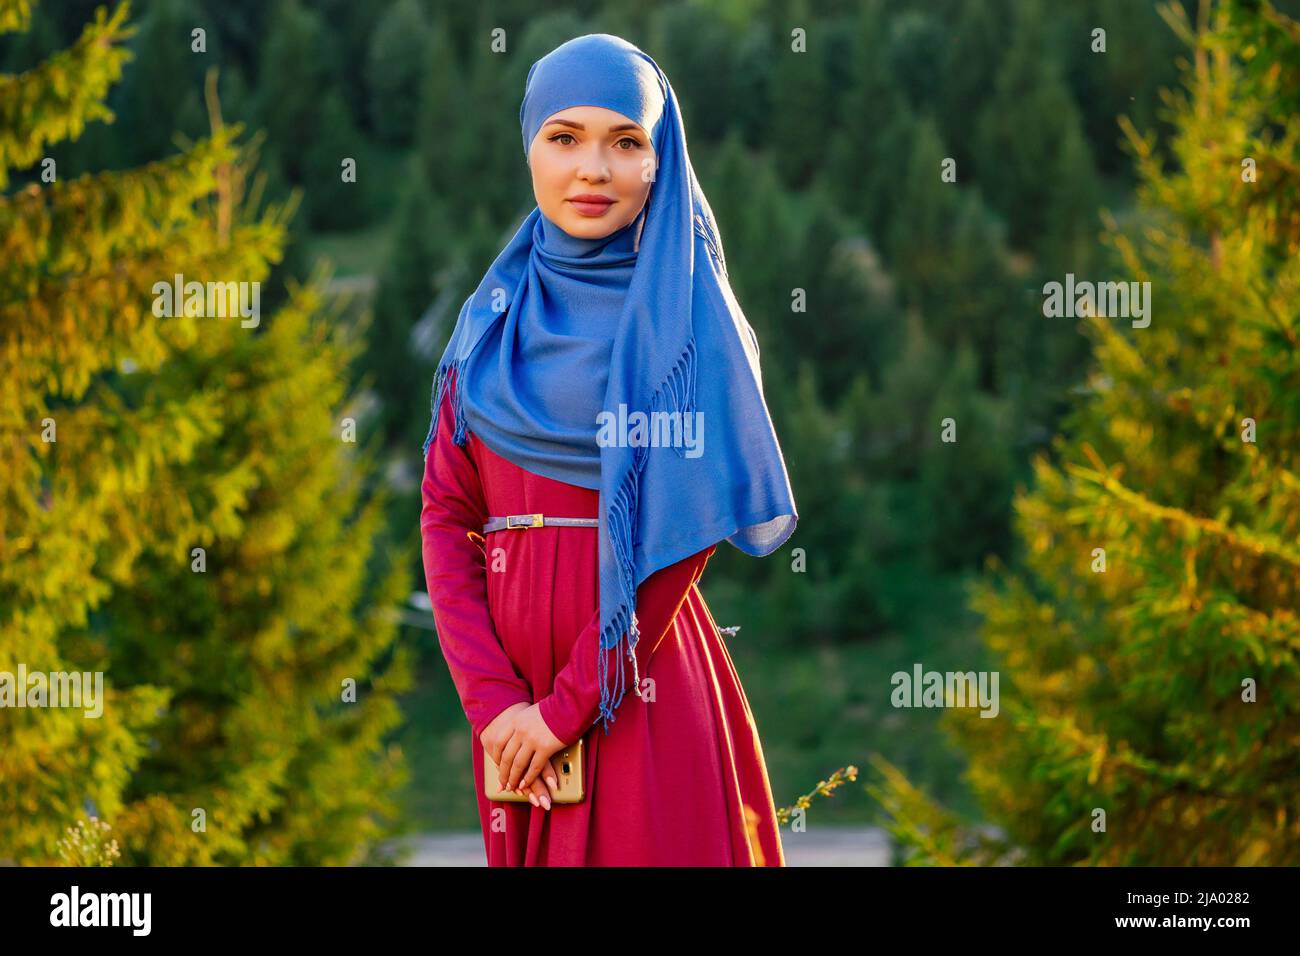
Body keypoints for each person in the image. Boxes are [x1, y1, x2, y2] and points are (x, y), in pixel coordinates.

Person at [420, 33, 797, 866]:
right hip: (515, 723)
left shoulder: (691, 326)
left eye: (626, 143)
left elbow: (675, 544)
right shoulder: (490, 322)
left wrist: (565, 710)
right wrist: (495, 709)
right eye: (565, 138)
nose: (594, 169)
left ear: (659, 162)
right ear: (530, 149)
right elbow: (448, 516)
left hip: (641, 691)